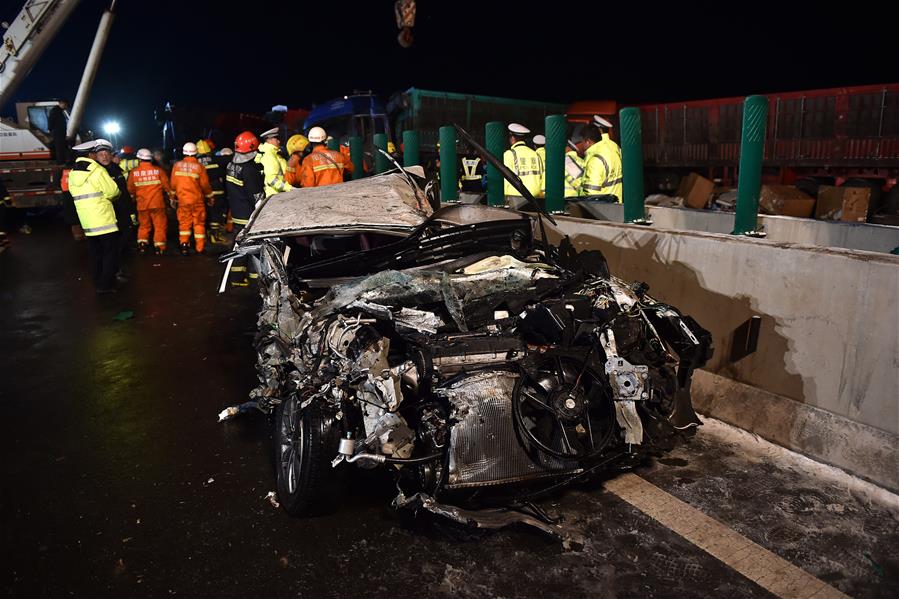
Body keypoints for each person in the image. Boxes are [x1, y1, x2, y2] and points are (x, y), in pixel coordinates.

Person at [67, 139, 122, 293]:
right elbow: (112, 191)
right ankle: (107, 285)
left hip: (87, 222)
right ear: (91, 154)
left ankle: (98, 283)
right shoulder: (97, 170)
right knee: (109, 254)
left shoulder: (73, 173)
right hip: (104, 220)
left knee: (95, 254)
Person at [224, 131, 264, 286]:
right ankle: (256, 278)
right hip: (249, 215)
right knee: (254, 246)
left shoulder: (231, 164)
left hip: (236, 213)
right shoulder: (249, 169)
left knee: (239, 245)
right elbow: (256, 196)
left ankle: (237, 278)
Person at [127, 148, 172, 255]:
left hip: (142, 205)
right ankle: (159, 247)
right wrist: (171, 197)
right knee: (159, 225)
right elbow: (167, 186)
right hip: (157, 204)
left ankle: (142, 244)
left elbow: (130, 189)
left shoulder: (134, 172)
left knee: (144, 225)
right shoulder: (158, 170)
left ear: (139, 159)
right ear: (150, 159)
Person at [170, 142, 213, 254]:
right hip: (197, 200)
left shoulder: (176, 166)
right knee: (198, 223)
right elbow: (205, 185)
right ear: (195, 153)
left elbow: (173, 185)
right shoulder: (199, 167)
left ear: (183, 152)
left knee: (184, 223)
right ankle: (200, 247)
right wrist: (210, 197)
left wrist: (173, 198)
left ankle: (184, 244)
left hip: (183, 200)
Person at [577, 124, 622, 202]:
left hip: (601, 209)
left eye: (582, 141)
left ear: (588, 142)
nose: (580, 144)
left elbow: (591, 194)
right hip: (616, 204)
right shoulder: (614, 147)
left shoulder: (595, 161)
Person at [502, 123, 543, 208]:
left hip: (515, 200)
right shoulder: (536, 155)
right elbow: (541, 177)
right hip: (535, 199)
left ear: (512, 138)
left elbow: (505, 179)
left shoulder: (508, 154)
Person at [196, 139, 229, 244]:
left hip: (202, 192)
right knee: (216, 213)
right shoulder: (216, 159)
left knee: (204, 214)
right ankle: (215, 236)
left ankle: (204, 235)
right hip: (217, 190)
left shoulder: (195, 162)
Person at [255, 128, 293, 197]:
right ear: (269, 140)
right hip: (275, 195)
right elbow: (272, 179)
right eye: (276, 139)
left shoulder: (272, 152)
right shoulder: (269, 155)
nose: (279, 141)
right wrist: (289, 188)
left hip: (277, 194)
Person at [47, 99, 70, 164]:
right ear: (61, 104)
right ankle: (60, 162)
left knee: (61, 147)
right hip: (58, 133)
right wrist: (50, 130)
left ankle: (62, 161)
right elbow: (51, 121)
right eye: (65, 105)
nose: (66, 107)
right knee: (59, 148)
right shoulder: (55, 111)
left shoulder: (58, 111)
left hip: (60, 133)